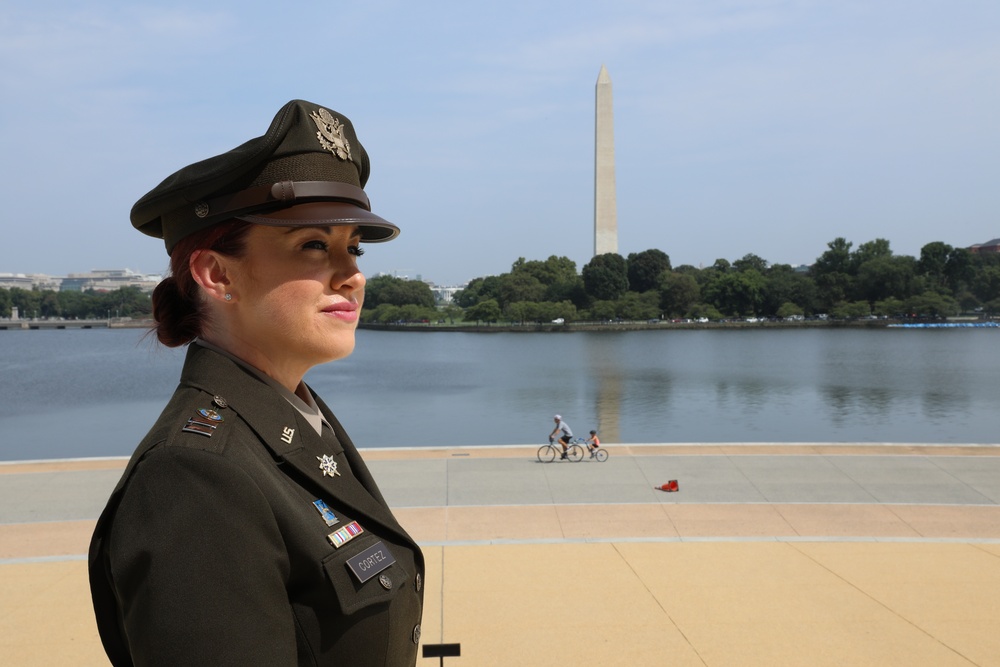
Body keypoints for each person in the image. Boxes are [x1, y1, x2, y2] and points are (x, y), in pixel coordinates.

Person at [88, 100, 424, 667]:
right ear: (218, 274)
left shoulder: (290, 421)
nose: (353, 274)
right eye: (314, 245)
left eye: (353, 247)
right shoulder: (196, 477)